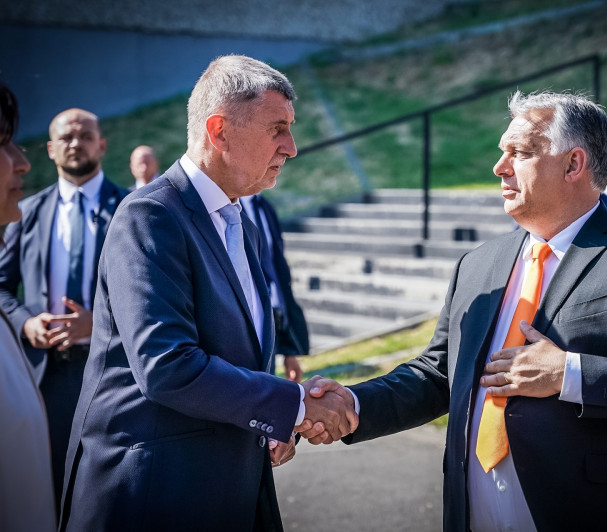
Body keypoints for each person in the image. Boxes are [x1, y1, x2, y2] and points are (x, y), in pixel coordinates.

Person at [308, 91, 607, 530]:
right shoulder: (477, 265)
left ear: (573, 164)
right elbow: (440, 373)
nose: (499, 167)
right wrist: (355, 403)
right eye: (502, 152)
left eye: (519, 152)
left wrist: (568, 373)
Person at [59, 55, 356, 532]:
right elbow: (166, 365)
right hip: (154, 496)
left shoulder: (242, 224)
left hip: (225, 488)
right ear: (219, 131)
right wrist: (291, 404)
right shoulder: (150, 216)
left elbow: (236, 356)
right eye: (277, 129)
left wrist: (269, 422)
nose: (292, 147)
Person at [0, 106, 128, 508]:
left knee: (106, 495)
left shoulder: (133, 209)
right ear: (51, 150)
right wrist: (26, 323)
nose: (76, 144)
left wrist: (98, 323)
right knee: (49, 492)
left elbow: (154, 297)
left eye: (85, 136)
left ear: (102, 146)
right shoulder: (24, 212)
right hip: (44, 377)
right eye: (66, 138)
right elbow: (0, 287)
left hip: (109, 376)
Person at [0, 81, 57, 532]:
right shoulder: (33, 210)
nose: (22, 161)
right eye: (3, 144)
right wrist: (26, 322)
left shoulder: (126, 208)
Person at [241, 193, 309, 382]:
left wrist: (290, 352)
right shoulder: (226, 211)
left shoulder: (265, 207)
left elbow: (278, 271)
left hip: (273, 316)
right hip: (245, 326)